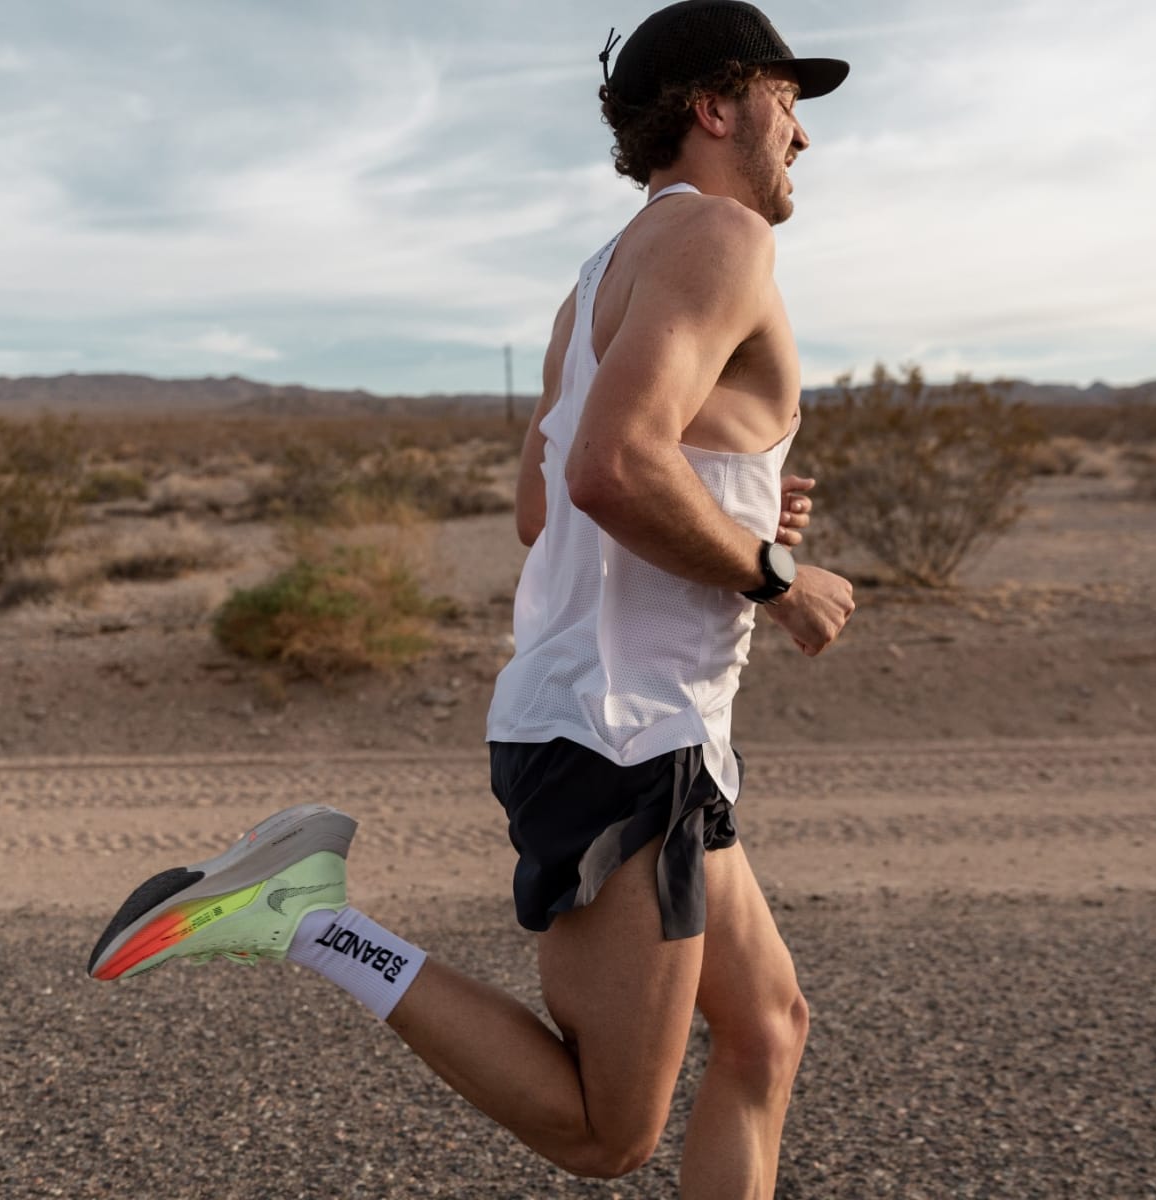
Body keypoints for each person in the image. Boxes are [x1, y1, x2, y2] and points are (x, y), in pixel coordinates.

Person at [87, 3, 855, 1196]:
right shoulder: (721, 238)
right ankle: (307, 917)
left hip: (639, 726)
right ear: (715, 106)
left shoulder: (597, 282)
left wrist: (735, 524)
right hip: (625, 736)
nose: (800, 136)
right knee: (607, 1134)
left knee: (769, 1028)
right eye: (786, 102)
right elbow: (607, 476)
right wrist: (779, 577)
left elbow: (542, 512)